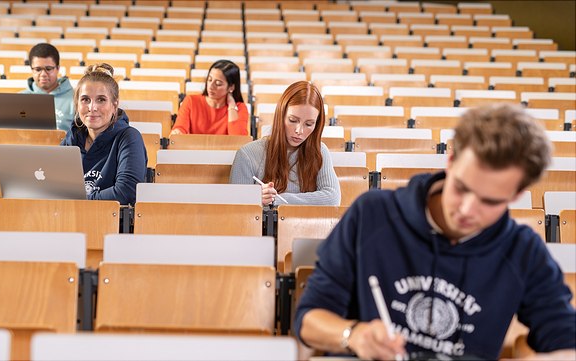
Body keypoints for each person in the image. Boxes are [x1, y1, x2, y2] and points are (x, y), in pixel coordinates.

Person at [294, 103, 576, 360]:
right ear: (451, 161)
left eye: (489, 201)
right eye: (462, 188)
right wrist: (352, 335)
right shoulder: (373, 215)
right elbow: (308, 320)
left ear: (516, 194)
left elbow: (564, 337)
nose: (467, 209)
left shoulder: (522, 251)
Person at [230, 81, 340, 206]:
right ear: (281, 115)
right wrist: (254, 199)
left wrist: (278, 199)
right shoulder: (247, 155)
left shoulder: (319, 151)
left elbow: (332, 198)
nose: (299, 130)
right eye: (293, 120)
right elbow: (236, 209)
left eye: (309, 124)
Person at [61, 63, 147, 205]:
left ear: (114, 105)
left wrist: (79, 202)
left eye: (101, 100)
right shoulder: (71, 137)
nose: (92, 107)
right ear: (77, 105)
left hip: (110, 223)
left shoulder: (129, 137)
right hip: (68, 220)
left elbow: (126, 191)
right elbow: (52, 185)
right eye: (85, 99)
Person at [170, 59, 248, 136]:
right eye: (209, 80)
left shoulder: (240, 108)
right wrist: (177, 132)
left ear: (231, 87)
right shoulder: (191, 101)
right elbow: (180, 129)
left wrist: (231, 105)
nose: (211, 86)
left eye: (218, 83)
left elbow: (238, 140)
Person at [21, 43, 74, 132]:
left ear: (58, 68)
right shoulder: (19, 98)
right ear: (31, 70)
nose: (43, 74)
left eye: (48, 69)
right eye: (38, 69)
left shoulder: (75, 98)